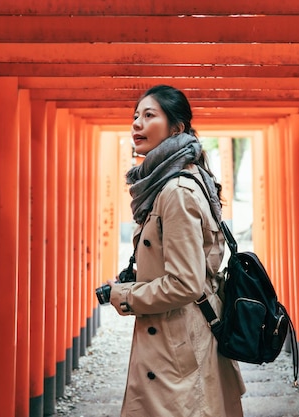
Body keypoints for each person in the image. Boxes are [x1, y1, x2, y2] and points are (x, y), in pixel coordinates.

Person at [107, 85, 245, 417]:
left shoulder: (176, 191)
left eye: (149, 115)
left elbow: (185, 283)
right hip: (176, 339)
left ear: (177, 128)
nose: (137, 123)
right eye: (135, 116)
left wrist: (124, 295)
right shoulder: (173, 183)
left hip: (178, 347)